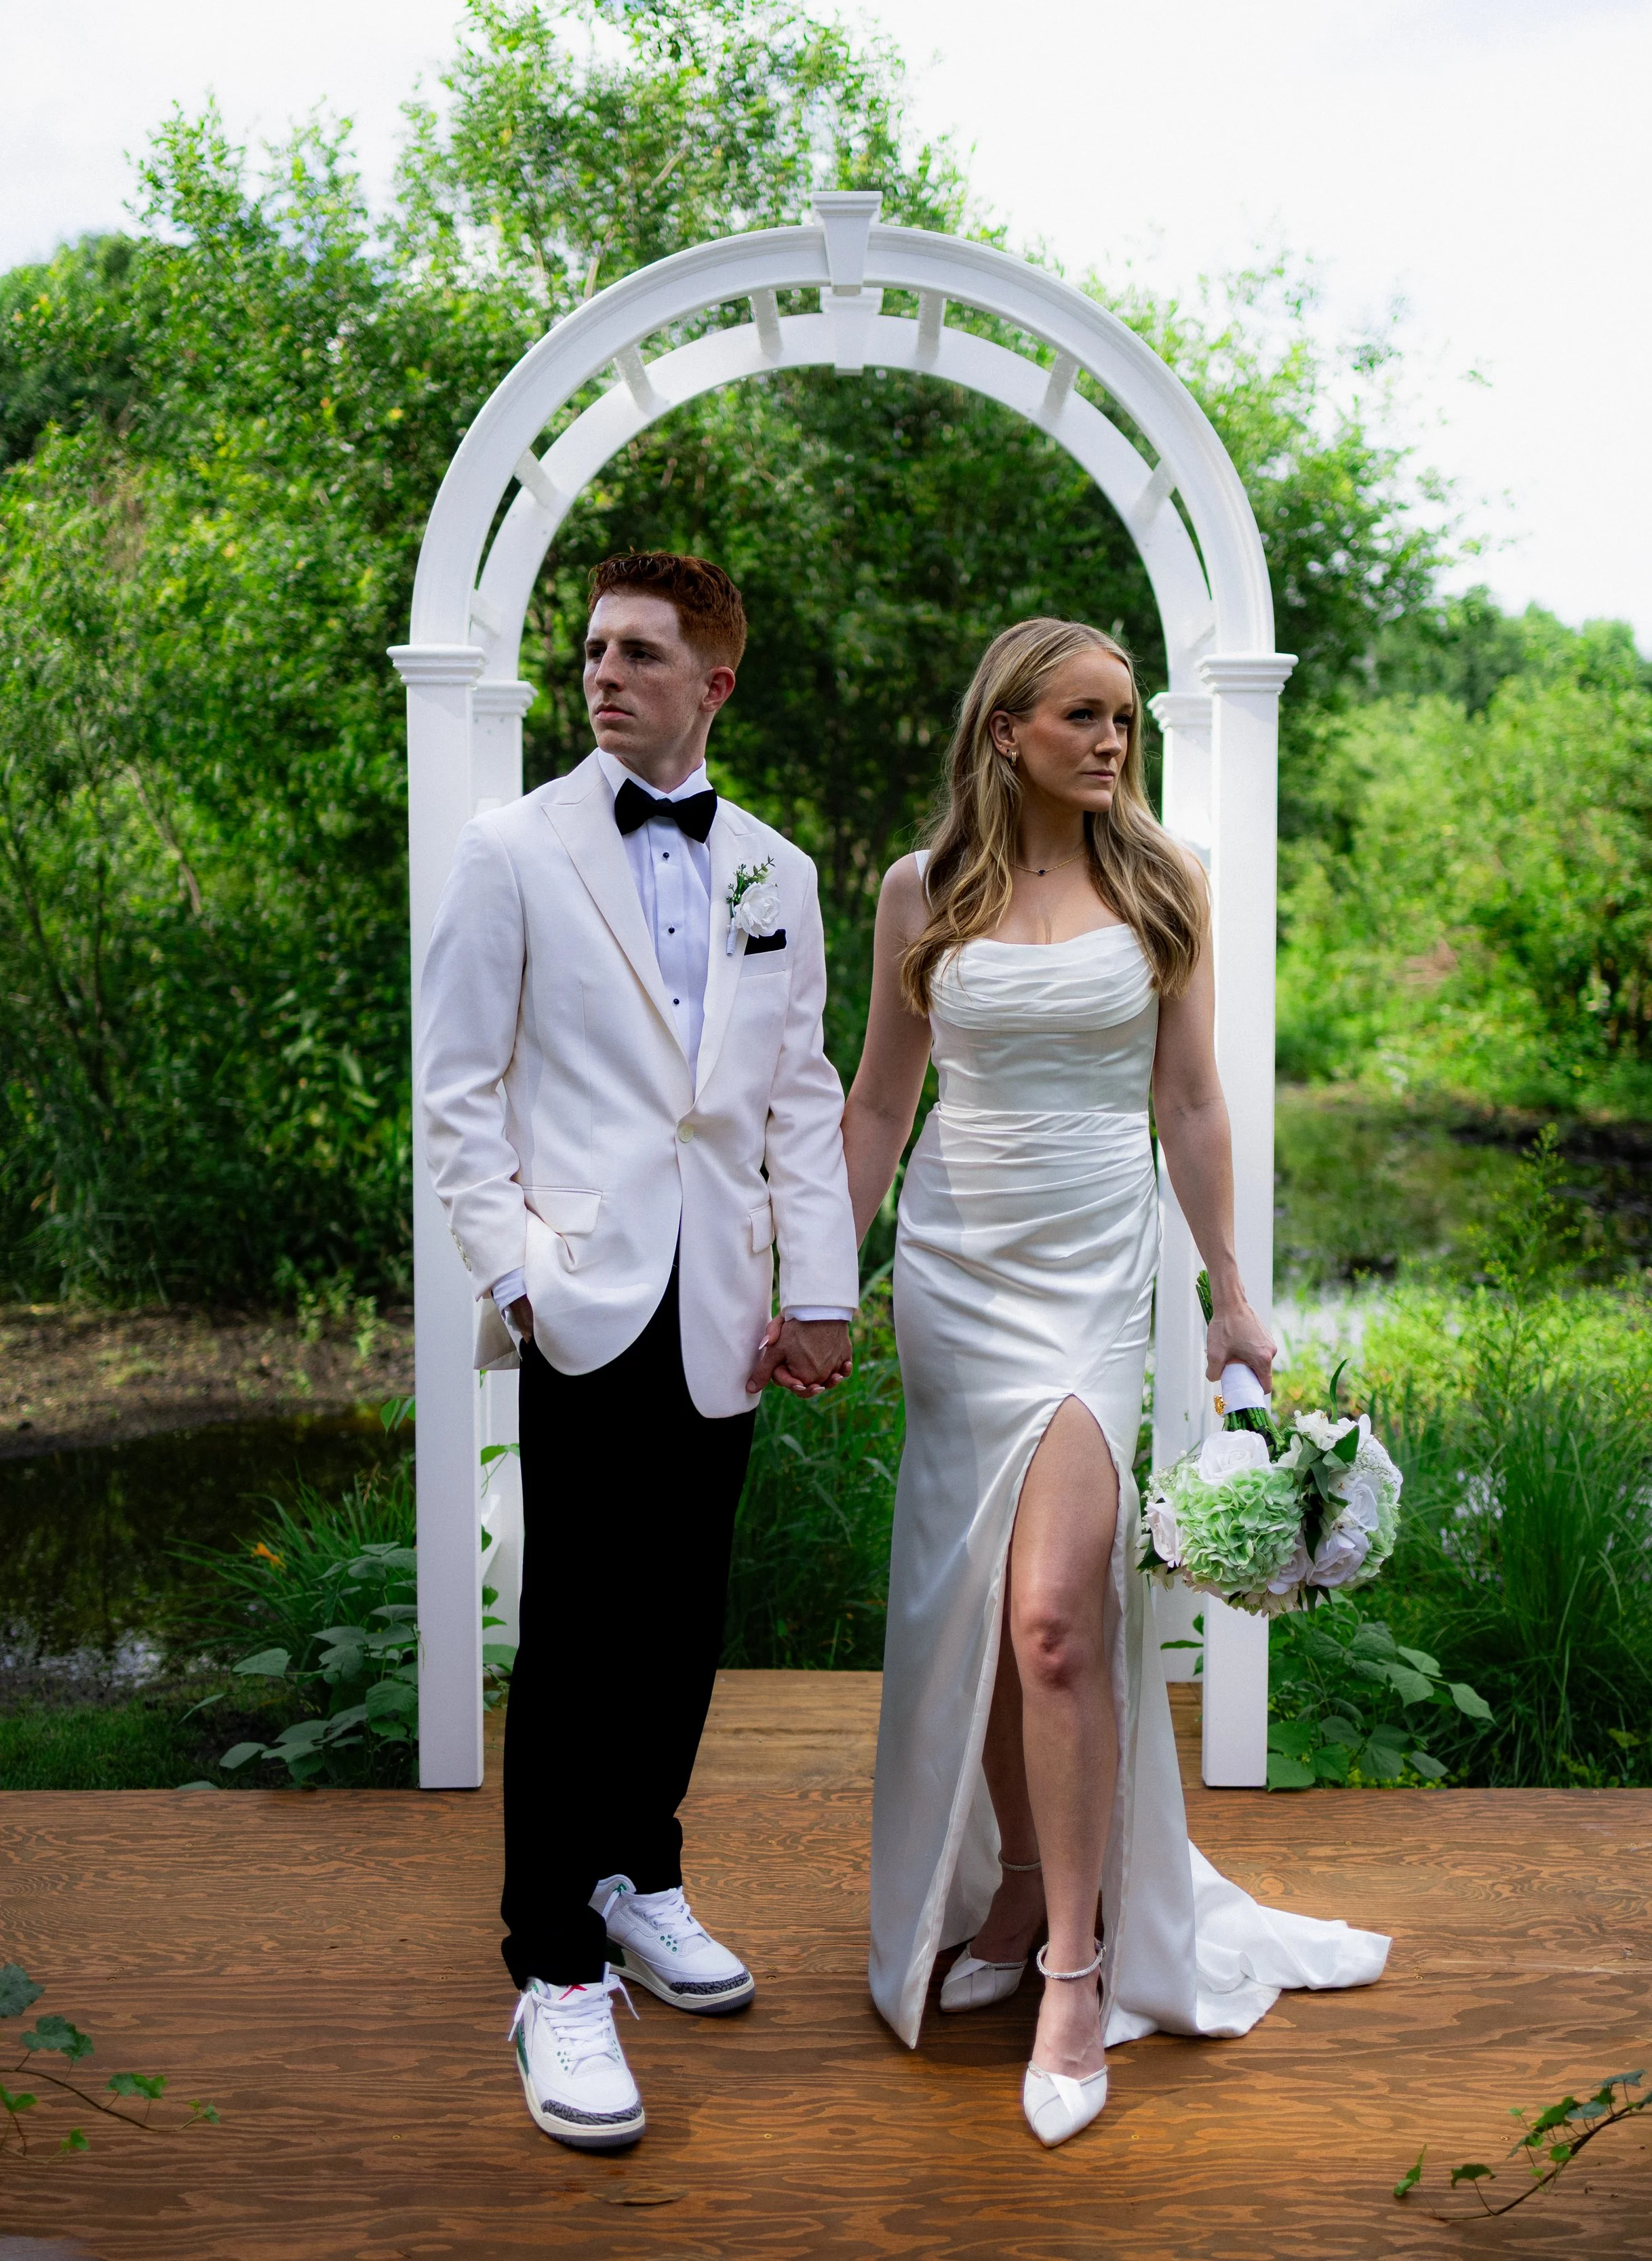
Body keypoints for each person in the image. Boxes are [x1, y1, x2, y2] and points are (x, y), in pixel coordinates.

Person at [841, 618, 1389, 2148]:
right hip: (953, 1276)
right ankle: (1011, 1889)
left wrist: (1231, 1293)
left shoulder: (1160, 881)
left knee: (1055, 1618)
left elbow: (1193, 1098)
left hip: (1091, 1275)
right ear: (1004, 726)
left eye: (1125, 720)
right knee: (986, 1614)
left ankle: (1078, 1966)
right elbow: (881, 1102)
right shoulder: (916, 891)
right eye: (1082, 716)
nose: (1110, 742)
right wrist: (815, 1283)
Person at [416, 551, 859, 2150]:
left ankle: (638, 1876)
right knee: (580, 1629)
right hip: (583, 1292)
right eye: (594, 648)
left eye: (642, 651)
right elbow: (458, 1087)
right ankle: (552, 1970)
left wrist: (821, 1285)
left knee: (680, 1616)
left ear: (713, 682)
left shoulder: (778, 872)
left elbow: (795, 1095)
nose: (604, 671)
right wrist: (515, 1276)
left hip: (727, 1302)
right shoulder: (510, 847)